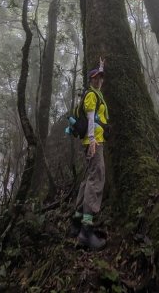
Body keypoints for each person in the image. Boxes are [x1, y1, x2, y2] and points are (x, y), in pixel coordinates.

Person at [70, 60, 109, 250]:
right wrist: (93, 140)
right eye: (95, 78)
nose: (98, 80)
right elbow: (91, 118)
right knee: (97, 178)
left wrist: (101, 65)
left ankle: (76, 221)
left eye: (100, 77)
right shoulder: (91, 96)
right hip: (94, 143)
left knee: (88, 179)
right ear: (90, 80)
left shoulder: (96, 93)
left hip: (93, 142)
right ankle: (86, 230)